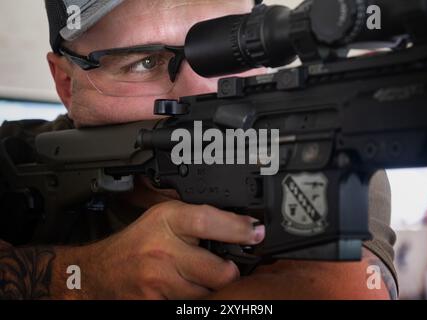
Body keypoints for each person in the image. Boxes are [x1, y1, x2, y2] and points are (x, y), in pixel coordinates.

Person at [0, 0, 397, 299]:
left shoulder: (319, 142)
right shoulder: (15, 161)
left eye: (233, 51)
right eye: (144, 62)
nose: (202, 91)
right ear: (67, 84)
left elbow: (348, 289)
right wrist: (87, 275)